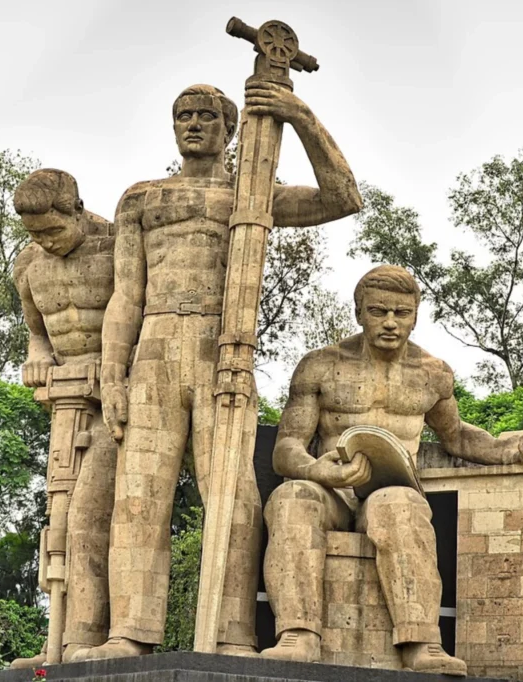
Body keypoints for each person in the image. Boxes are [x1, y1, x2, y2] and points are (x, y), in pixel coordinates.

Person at [77, 82, 362, 661]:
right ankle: (128, 631)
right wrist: (112, 373)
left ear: (230, 129)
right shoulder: (142, 199)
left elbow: (342, 197)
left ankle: (232, 632)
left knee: (232, 493)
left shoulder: (250, 193)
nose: (194, 124)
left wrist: (298, 115)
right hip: (152, 347)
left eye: (209, 115)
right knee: (137, 497)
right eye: (184, 115)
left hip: (223, 347)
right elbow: (125, 295)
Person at [261, 265, 523, 675]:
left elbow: (457, 437)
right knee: (290, 497)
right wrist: (317, 470)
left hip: (392, 488)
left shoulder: (432, 373)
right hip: (333, 490)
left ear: (416, 315)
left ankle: (422, 643)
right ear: (359, 312)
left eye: (402, 313)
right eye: (379, 311)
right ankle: (298, 634)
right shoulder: (320, 366)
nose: (391, 323)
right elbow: (286, 448)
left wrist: (507, 448)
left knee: (398, 505)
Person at [10, 168, 117, 666]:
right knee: (56, 519)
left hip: (117, 408)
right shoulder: (28, 264)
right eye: (35, 234)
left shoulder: (118, 249)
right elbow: (37, 331)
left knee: (88, 517)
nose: (46, 243)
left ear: (76, 210)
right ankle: (54, 642)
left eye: (54, 230)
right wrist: (37, 354)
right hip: (64, 405)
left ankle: (82, 638)